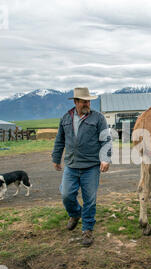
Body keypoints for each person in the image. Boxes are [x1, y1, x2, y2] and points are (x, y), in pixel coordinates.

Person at [52, 87, 112, 247]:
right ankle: (75, 214)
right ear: (76, 102)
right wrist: (56, 158)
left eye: (89, 101)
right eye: (84, 101)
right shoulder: (65, 118)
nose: (87, 104)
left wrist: (105, 159)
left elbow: (106, 139)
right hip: (71, 165)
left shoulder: (98, 118)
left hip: (91, 166)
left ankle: (87, 230)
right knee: (66, 194)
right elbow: (59, 140)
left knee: (90, 200)